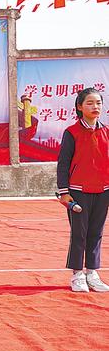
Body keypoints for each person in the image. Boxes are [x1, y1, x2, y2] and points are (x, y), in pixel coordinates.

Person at [57, 87, 109, 292]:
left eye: (98, 103)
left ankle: (92, 273)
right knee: (79, 233)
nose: (95, 107)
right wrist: (64, 192)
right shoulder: (71, 133)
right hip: (78, 191)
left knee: (96, 233)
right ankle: (77, 274)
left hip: (103, 191)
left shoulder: (106, 132)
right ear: (79, 107)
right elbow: (63, 163)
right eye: (90, 103)